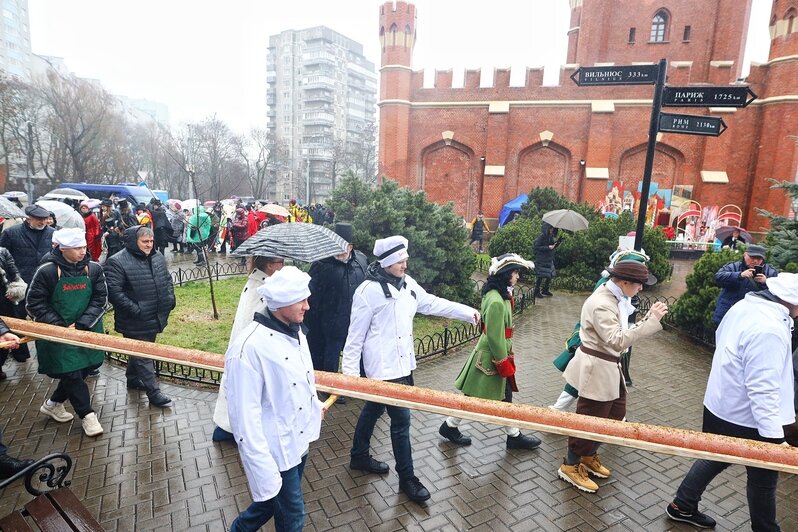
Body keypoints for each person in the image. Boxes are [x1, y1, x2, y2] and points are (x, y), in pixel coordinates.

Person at [341, 235, 480, 504]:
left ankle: (359, 456)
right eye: (401, 260)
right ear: (388, 262)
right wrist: (350, 378)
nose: (406, 263)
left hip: (404, 365)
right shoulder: (367, 292)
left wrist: (467, 312)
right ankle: (408, 479)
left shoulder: (408, 285)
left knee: (373, 409)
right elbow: (354, 337)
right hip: (382, 370)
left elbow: (433, 303)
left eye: (405, 259)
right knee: (401, 422)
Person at [665, 273, 798, 530]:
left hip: (721, 404)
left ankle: (682, 505)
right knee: (763, 478)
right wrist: (775, 441)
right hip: (748, 417)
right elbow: (763, 389)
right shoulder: (769, 329)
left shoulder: (745, 306)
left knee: (716, 455)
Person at [225, 266, 325, 532]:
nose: (308, 306)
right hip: (275, 451)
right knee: (293, 517)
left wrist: (314, 407)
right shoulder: (249, 348)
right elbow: (244, 420)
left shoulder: (296, 331)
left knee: (270, 505)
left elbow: (302, 379)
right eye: (301, 300)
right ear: (281, 303)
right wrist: (262, 469)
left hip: (299, 440)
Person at [559, 260, 668, 493]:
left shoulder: (615, 297)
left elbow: (620, 334)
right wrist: (651, 321)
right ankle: (570, 465)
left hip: (608, 368)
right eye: (639, 284)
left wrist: (647, 318)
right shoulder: (602, 303)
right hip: (597, 370)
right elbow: (617, 340)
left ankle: (587, 456)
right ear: (625, 282)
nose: (641, 289)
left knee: (615, 415)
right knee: (589, 420)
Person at [440, 253, 542, 450]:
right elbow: (495, 336)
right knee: (499, 396)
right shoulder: (496, 300)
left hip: (491, 353)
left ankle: (450, 426)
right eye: (515, 272)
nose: (517, 277)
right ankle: (513, 435)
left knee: (479, 396)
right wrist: (502, 360)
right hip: (492, 356)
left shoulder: (497, 294)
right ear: (505, 274)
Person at [26, 228, 108, 437]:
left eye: (83, 246)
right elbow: (34, 303)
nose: (82, 251)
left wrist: (82, 324)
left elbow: (100, 300)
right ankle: (87, 415)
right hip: (58, 333)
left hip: (86, 330)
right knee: (71, 372)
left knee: (84, 369)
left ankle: (53, 404)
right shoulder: (47, 271)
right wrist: (60, 326)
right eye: (77, 248)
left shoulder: (94, 269)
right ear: (62, 249)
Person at [212, 255, 285, 442]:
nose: (283, 266)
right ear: (270, 265)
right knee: (247, 393)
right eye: (281, 263)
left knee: (237, 389)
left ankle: (226, 427)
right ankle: (233, 431)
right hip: (249, 352)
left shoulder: (257, 281)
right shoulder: (262, 289)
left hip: (242, 347)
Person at [104, 226, 175, 407]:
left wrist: (170, 299)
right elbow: (114, 292)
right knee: (144, 354)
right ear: (133, 242)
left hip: (155, 315)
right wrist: (136, 310)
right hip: (133, 319)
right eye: (145, 242)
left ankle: (133, 379)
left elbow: (167, 280)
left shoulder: (157, 257)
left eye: (151, 241)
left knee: (139, 350)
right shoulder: (117, 261)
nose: (149, 245)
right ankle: (154, 393)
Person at [305, 222, 368, 402]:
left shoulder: (360, 260)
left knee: (356, 353)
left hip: (355, 320)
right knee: (330, 356)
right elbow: (311, 295)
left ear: (351, 246)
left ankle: (359, 384)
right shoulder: (322, 265)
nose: (341, 250)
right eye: (337, 245)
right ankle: (331, 388)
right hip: (330, 321)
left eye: (345, 246)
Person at [0, 204, 56, 362]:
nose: (43, 222)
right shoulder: (11, 233)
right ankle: (19, 352)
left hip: (45, 284)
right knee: (17, 319)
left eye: (45, 219)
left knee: (44, 319)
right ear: (28, 218)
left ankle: (48, 353)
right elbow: (3, 257)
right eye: (39, 219)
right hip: (20, 284)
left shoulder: (53, 233)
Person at [712, 244, 777, 324]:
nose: (755, 261)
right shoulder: (733, 267)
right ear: (745, 255)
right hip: (729, 314)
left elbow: (778, 293)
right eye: (752, 257)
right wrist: (740, 275)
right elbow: (718, 277)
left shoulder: (771, 272)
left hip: (755, 317)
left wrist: (766, 281)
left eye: (759, 258)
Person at [534, 221, 561, 298]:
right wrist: (548, 247)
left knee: (549, 275)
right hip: (542, 258)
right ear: (548, 228)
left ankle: (545, 289)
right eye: (551, 228)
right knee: (540, 275)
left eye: (553, 228)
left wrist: (556, 244)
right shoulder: (542, 237)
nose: (552, 230)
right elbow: (537, 247)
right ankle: (536, 291)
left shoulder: (550, 237)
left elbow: (552, 246)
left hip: (548, 259)